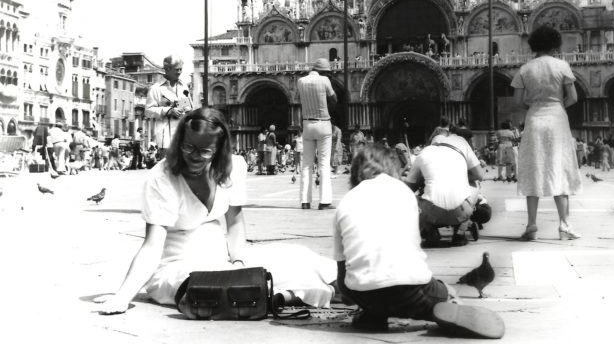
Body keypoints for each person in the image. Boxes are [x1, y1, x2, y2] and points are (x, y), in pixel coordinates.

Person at [95, 108, 336, 315]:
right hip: (177, 266)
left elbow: (234, 223)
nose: (195, 156)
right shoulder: (161, 177)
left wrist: (239, 259)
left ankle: (336, 288)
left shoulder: (234, 167)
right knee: (218, 286)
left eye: (205, 151)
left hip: (224, 257)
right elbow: (152, 245)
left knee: (299, 256)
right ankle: (288, 295)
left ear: (220, 149)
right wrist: (123, 296)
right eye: (188, 147)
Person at [334, 144, 505, 338]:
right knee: (440, 291)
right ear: (392, 167)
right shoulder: (404, 193)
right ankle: (445, 303)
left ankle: (374, 315)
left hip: (365, 293)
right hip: (411, 292)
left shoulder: (346, 202)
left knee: (370, 289)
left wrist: (353, 295)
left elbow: (341, 275)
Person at [511, 25, 582, 241]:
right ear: (554, 44)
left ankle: (532, 224)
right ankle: (564, 224)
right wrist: (558, 104)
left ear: (534, 45)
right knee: (559, 167)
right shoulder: (562, 66)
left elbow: (517, 101)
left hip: (534, 120)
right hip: (557, 119)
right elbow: (573, 98)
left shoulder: (525, 69)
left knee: (534, 168)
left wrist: (534, 107)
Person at [404, 128, 485, 247]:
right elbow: (479, 175)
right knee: (475, 183)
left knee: (412, 197)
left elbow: (407, 189)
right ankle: (460, 232)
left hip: (431, 213)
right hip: (461, 211)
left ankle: (429, 230)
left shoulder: (423, 153)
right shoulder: (461, 142)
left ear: (431, 142)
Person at [297, 58, 337, 210]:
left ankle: (305, 201)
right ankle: (324, 201)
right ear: (323, 71)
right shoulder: (325, 80)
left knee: (306, 164)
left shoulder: (301, 81)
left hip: (307, 124)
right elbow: (334, 100)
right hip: (323, 123)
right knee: (324, 163)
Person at [145, 55, 193, 160]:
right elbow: (148, 111)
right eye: (177, 69)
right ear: (167, 69)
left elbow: (188, 106)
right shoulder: (155, 89)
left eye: (181, 69)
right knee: (166, 169)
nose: (179, 72)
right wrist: (169, 111)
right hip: (165, 138)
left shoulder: (183, 87)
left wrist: (181, 108)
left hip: (183, 136)